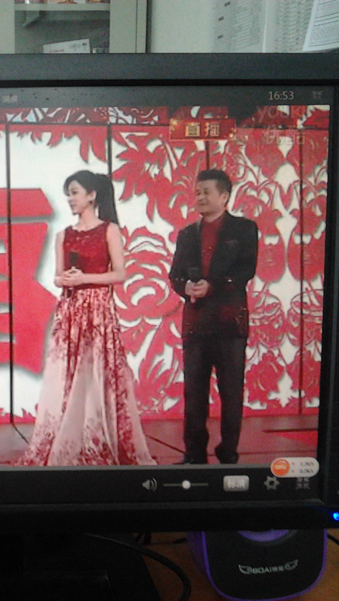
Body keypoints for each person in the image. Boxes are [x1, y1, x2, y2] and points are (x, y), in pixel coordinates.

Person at [18, 170, 155, 467]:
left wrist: (85, 279)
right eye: (68, 194)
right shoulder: (63, 235)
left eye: (75, 193)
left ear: (92, 195)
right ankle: (69, 439)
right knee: (68, 375)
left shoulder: (109, 230)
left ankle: (97, 438)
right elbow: (57, 277)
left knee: (96, 375)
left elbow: (120, 273)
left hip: (98, 311)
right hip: (71, 311)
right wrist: (67, 279)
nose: (70, 199)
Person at [169, 169, 258, 464]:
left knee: (231, 392)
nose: (200, 197)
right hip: (196, 323)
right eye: (197, 192)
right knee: (194, 393)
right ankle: (194, 453)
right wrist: (186, 287)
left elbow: (245, 270)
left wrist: (213, 286)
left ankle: (228, 452)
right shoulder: (187, 234)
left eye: (206, 192)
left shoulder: (244, 229)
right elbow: (175, 275)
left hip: (229, 323)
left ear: (224, 196)